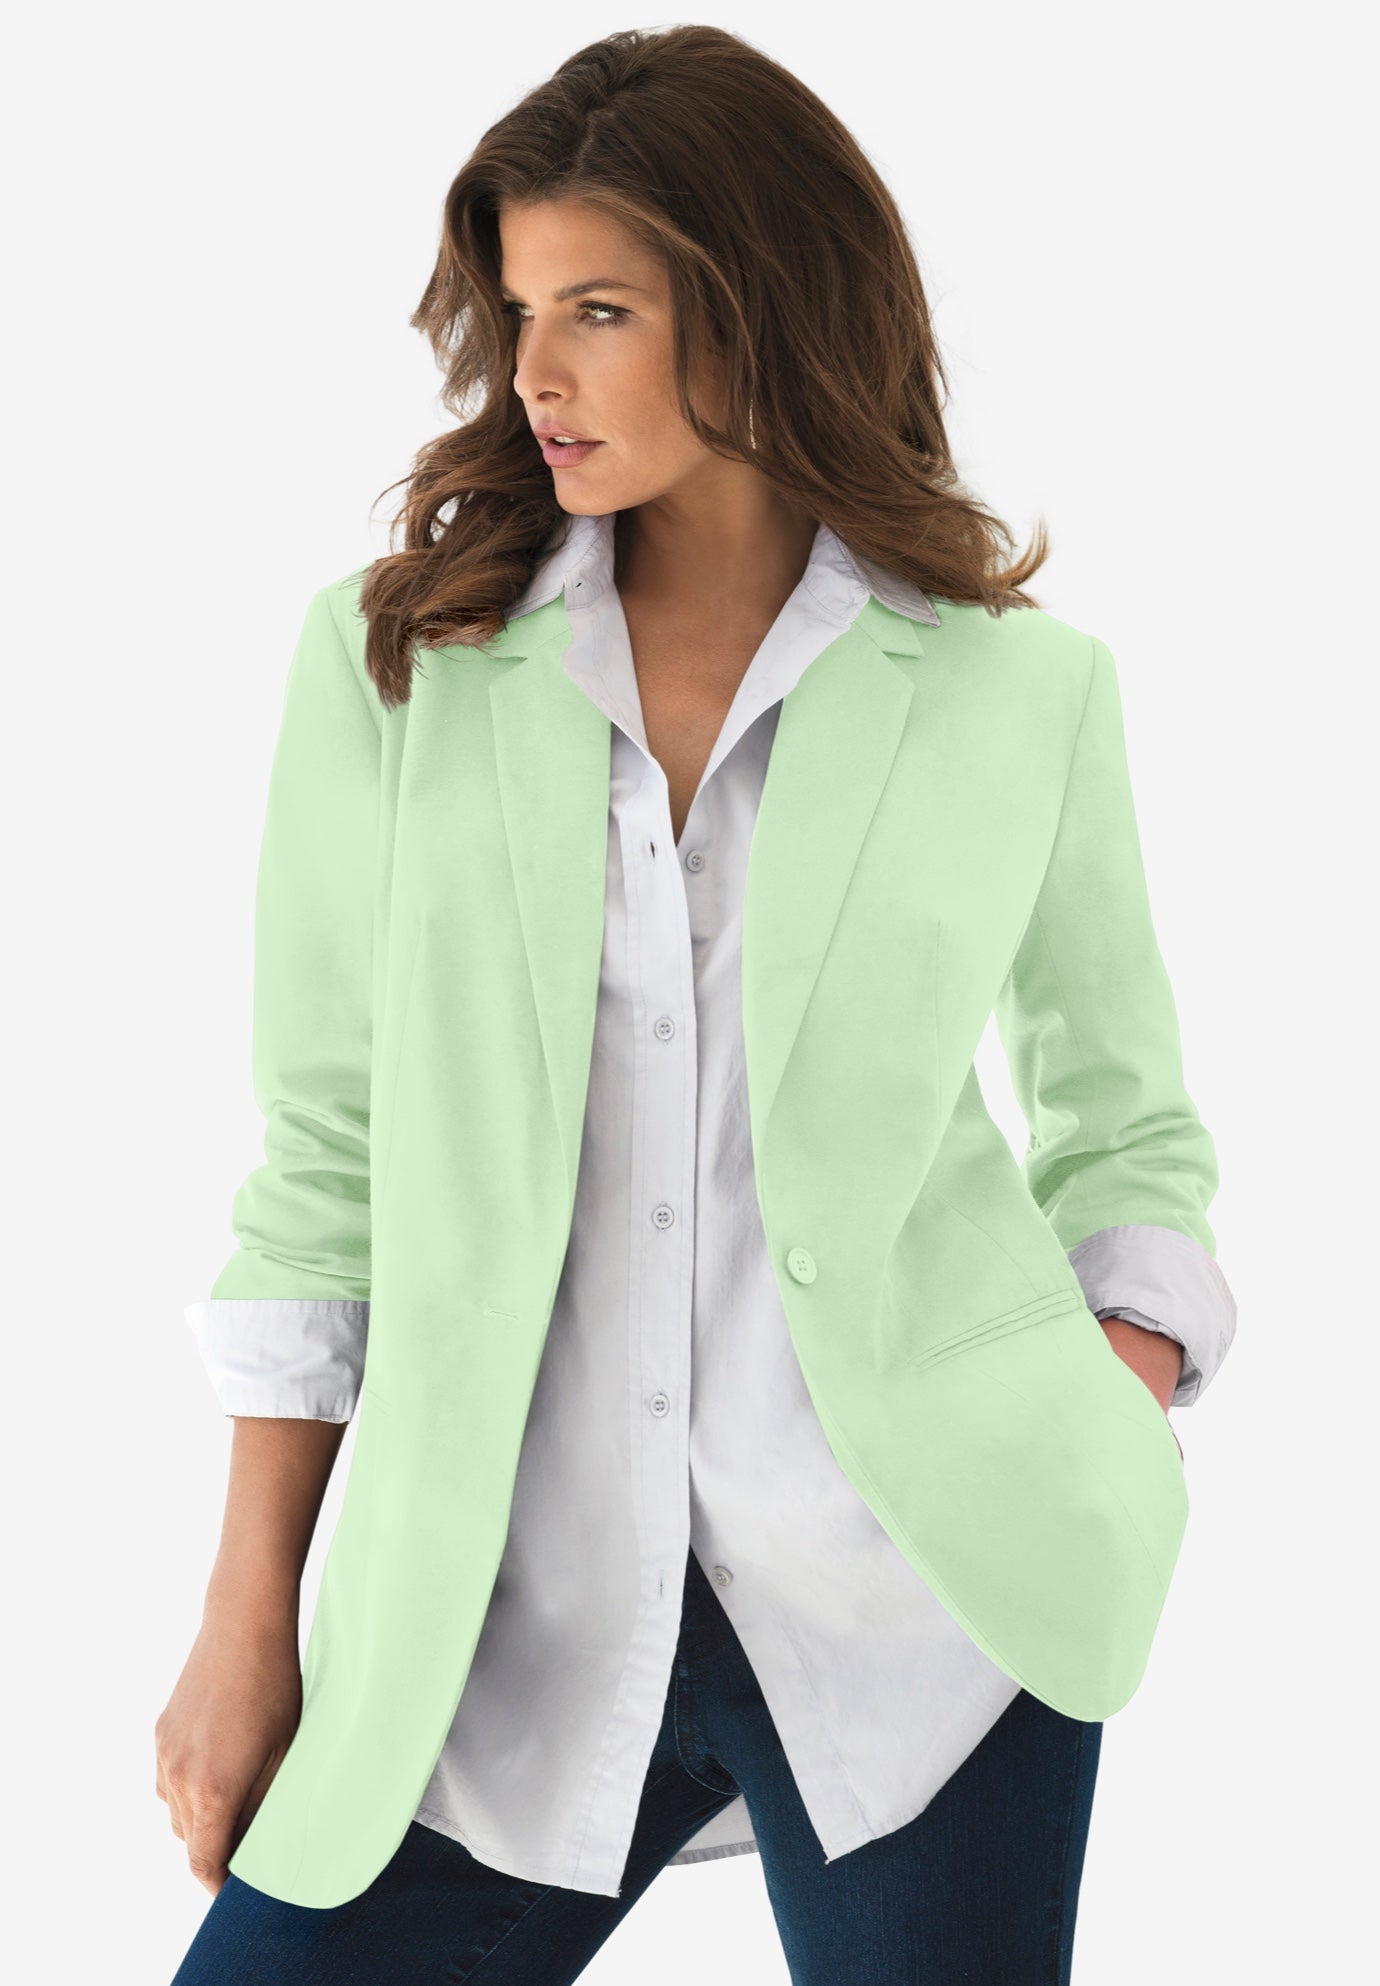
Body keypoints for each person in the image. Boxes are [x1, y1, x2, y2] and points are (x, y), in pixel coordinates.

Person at [158, 24, 1236, 1985]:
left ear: (765, 309)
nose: (536, 374)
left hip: (927, 1617)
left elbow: (1127, 1126)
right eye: (519, 314)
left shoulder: (1016, 691)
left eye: (600, 311)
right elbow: (324, 1156)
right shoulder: (400, 664)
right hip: (499, 1621)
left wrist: (1110, 1390)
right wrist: (249, 1617)